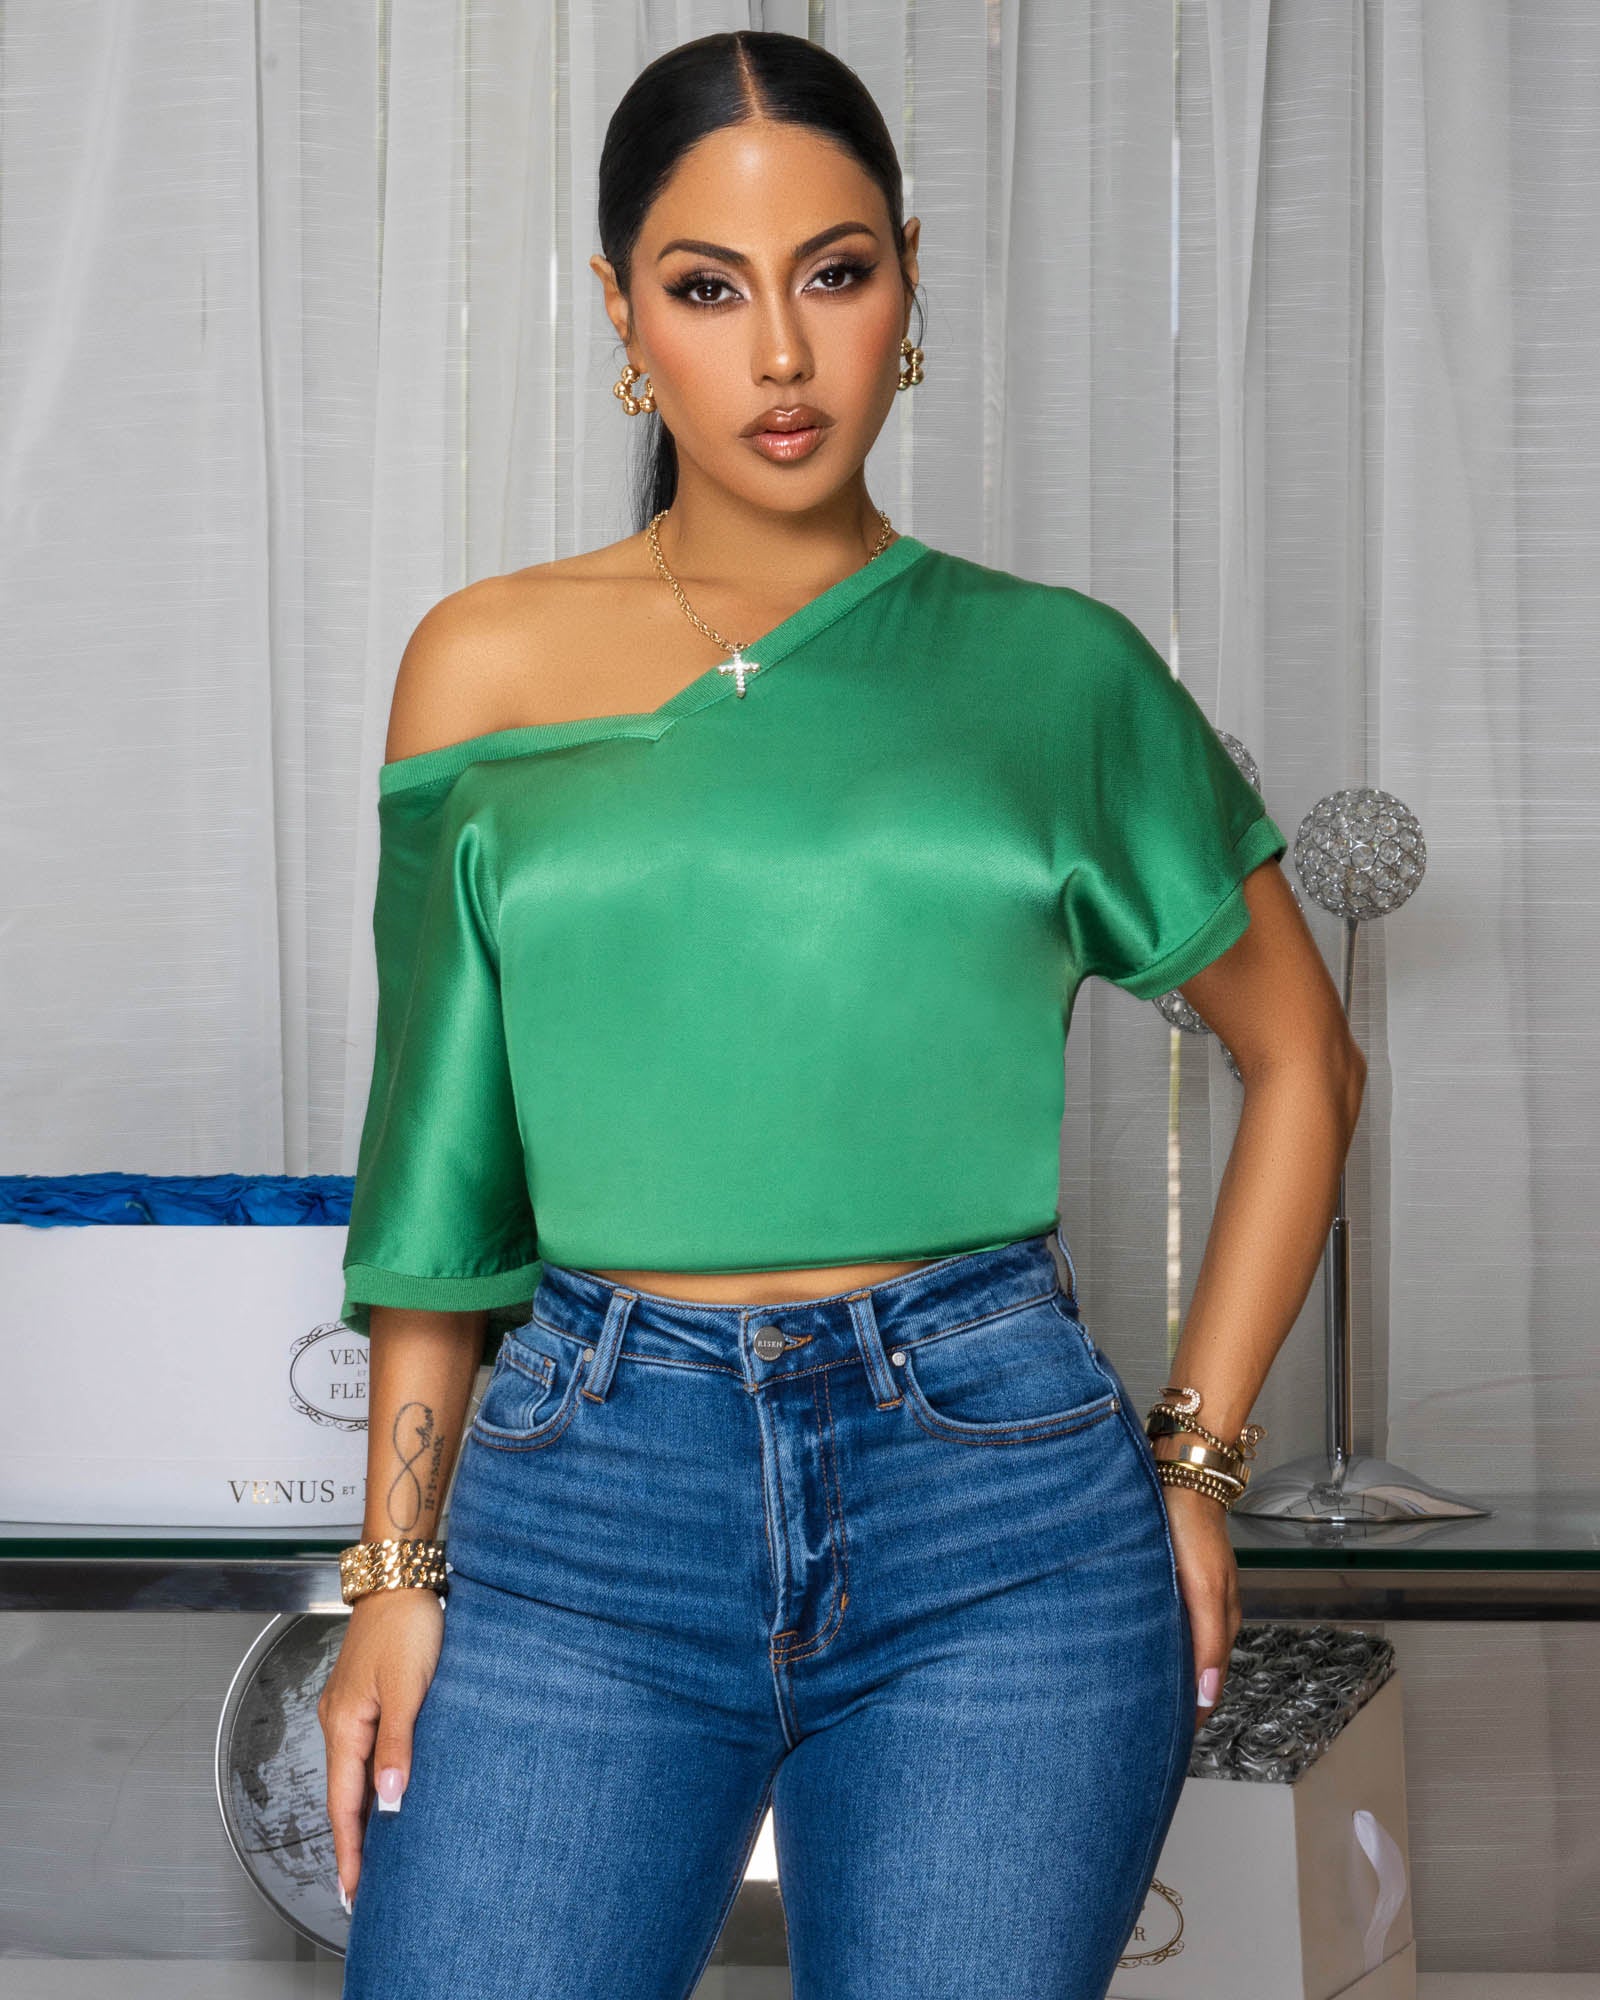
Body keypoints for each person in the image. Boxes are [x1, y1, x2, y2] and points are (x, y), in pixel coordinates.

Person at [319, 28, 1363, 2000]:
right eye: (709, 288)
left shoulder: (1055, 674)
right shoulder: (484, 665)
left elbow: (1302, 1051)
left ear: (907, 284)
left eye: (836, 270)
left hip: (998, 1511)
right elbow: (439, 1182)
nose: (783, 354)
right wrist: (393, 1571)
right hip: (587, 1500)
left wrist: (1197, 1465)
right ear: (622, 313)